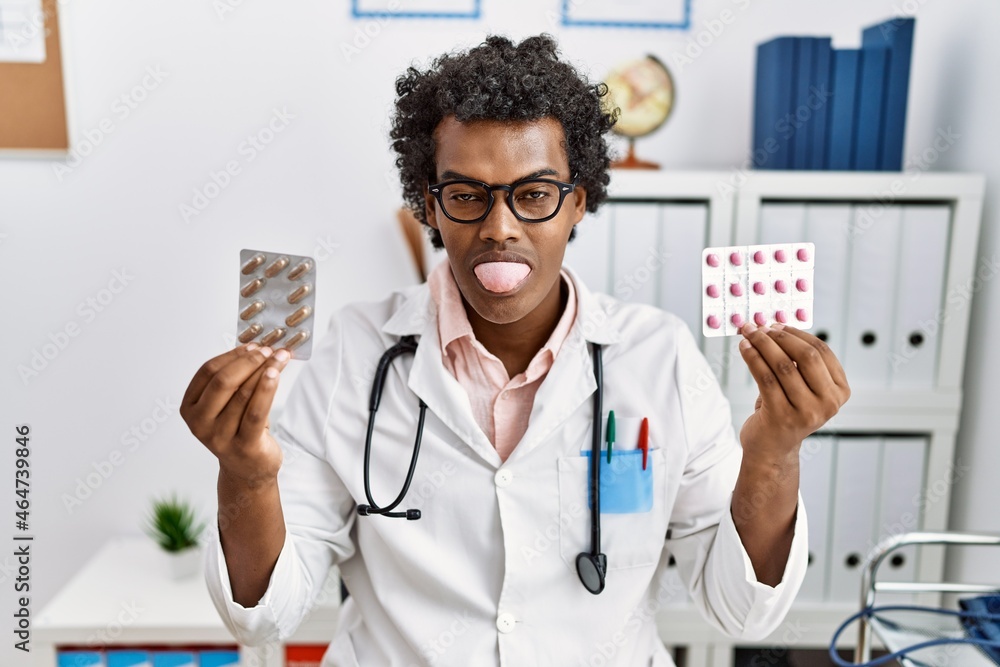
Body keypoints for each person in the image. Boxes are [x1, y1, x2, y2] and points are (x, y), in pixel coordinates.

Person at [182, 34, 850, 666]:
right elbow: (262, 617)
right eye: (467, 196)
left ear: (577, 203)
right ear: (430, 206)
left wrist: (774, 452)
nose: (500, 229)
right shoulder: (355, 354)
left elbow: (743, 611)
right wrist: (246, 474)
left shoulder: (660, 358)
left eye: (533, 195)